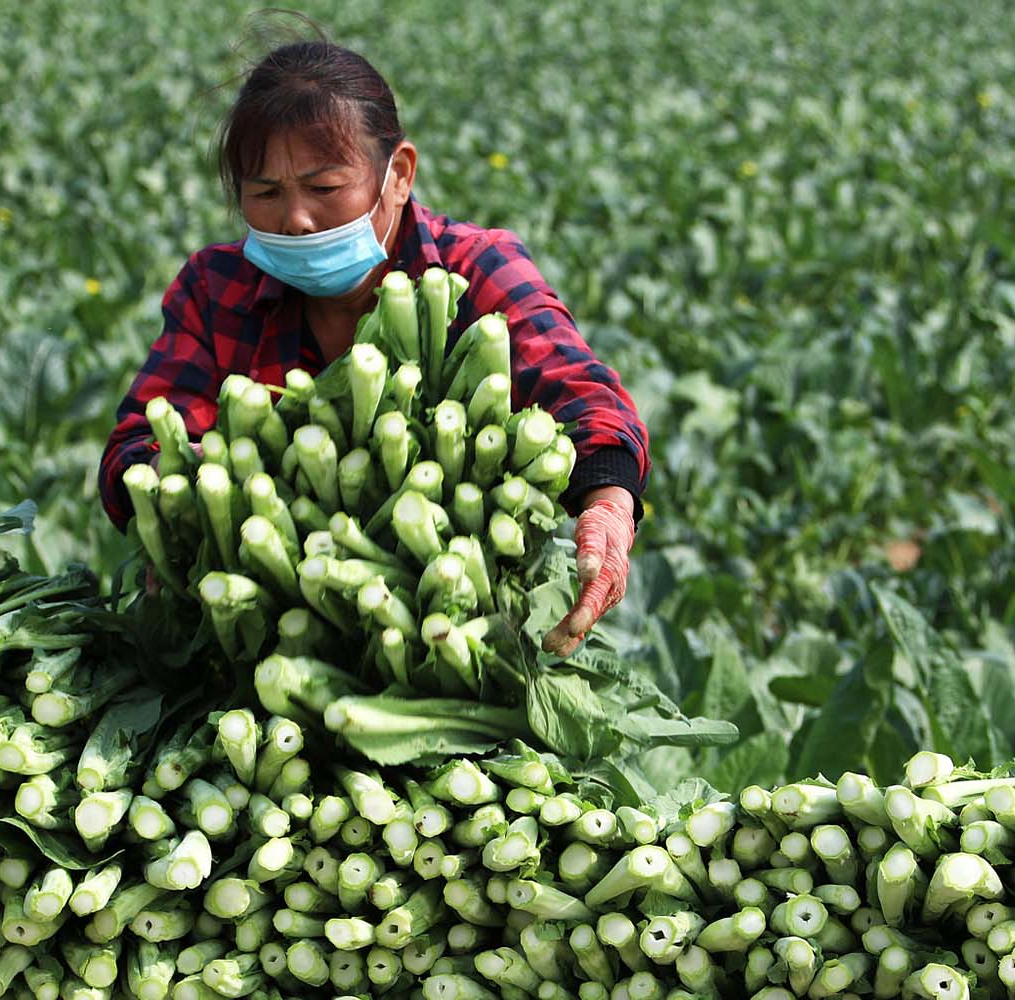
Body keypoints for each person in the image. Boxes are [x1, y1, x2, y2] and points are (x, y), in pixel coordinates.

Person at [98, 36, 649, 658]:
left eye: (325, 188)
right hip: (250, 646)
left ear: (399, 176)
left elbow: (583, 397)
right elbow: (138, 444)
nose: (297, 219)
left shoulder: (475, 269)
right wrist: (188, 504)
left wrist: (606, 504)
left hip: (452, 638)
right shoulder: (216, 288)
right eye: (266, 194)